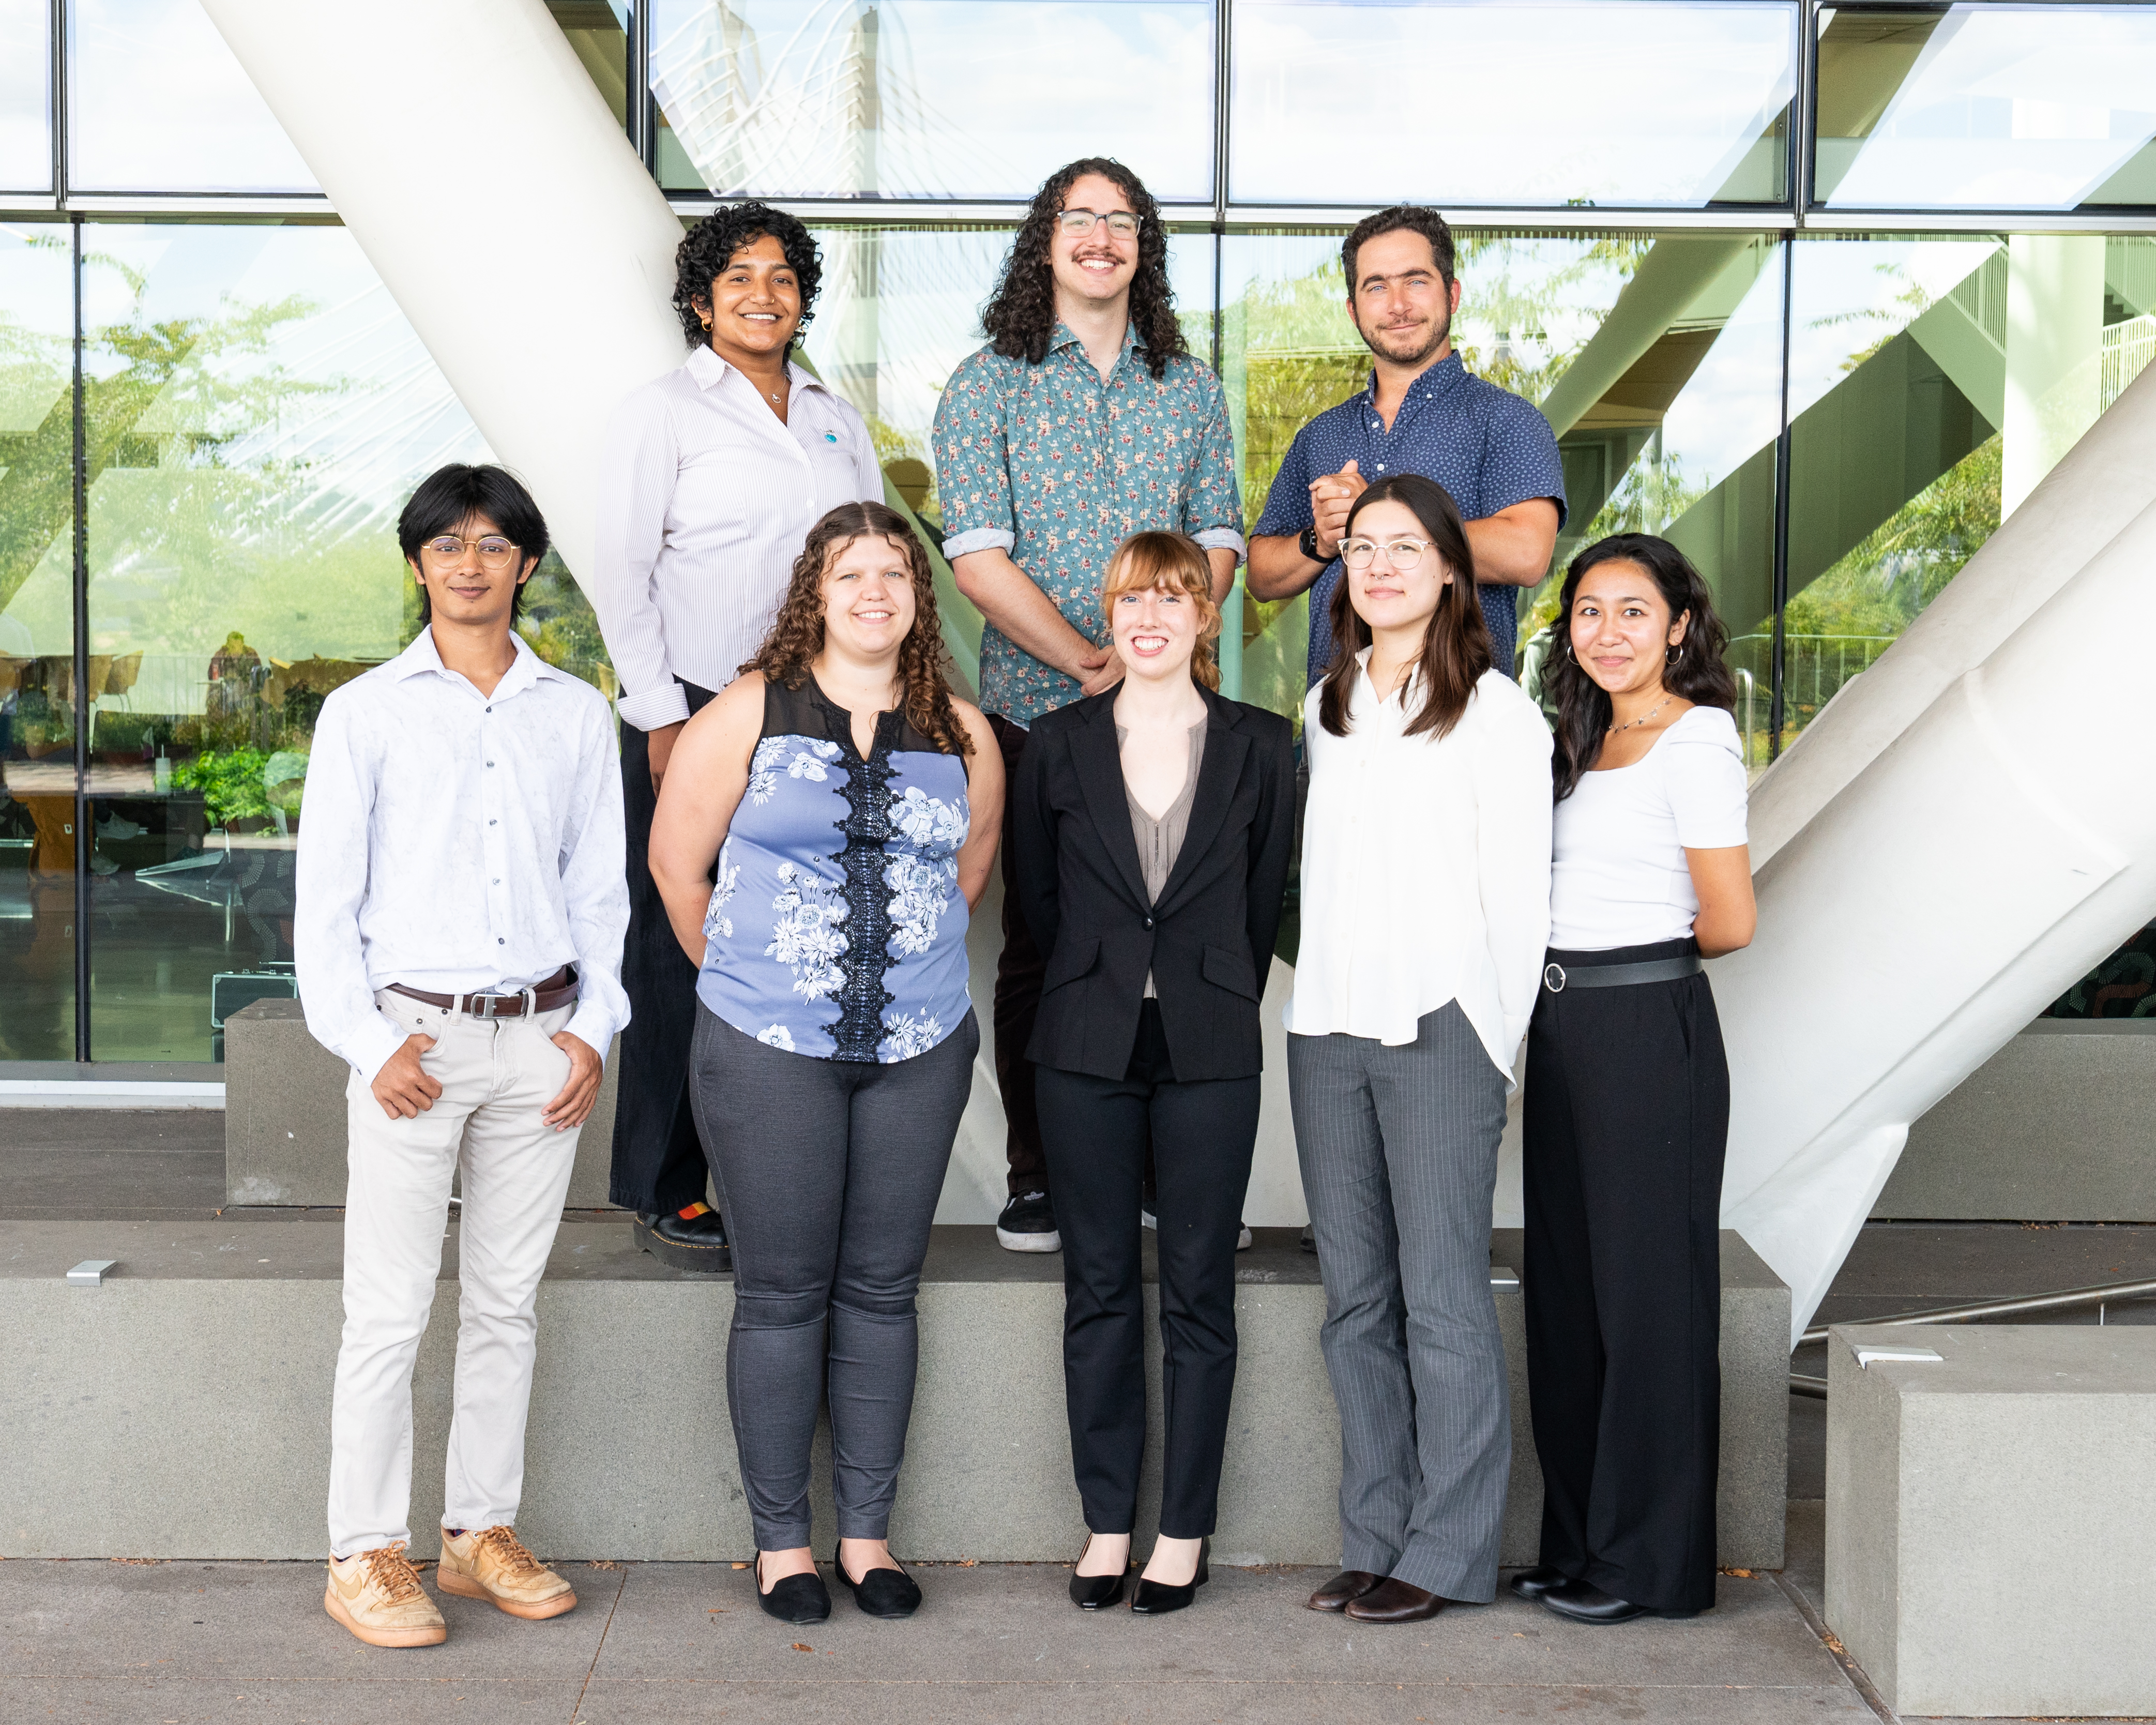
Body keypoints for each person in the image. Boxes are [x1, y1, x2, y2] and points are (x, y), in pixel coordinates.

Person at [648, 501, 1001, 1626]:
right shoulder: (750, 710)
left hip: (919, 1050)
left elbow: (968, 872)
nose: (874, 591)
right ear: (816, 590)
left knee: (884, 1294)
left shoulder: (962, 730)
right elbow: (676, 866)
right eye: (851, 573)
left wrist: (900, 979)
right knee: (783, 1296)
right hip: (768, 1052)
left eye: (895, 572)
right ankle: (781, 1546)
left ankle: (867, 1537)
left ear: (917, 595)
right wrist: (761, 985)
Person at [295, 464, 629, 1648]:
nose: (471, 563)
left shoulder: (575, 712)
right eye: (448, 545)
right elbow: (323, 908)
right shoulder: (366, 712)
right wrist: (372, 1042)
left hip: (541, 1043)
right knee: (386, 1313)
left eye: (494, 544)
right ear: (418, 563)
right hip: (413, 1042)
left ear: (526, 565)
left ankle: (477, 1530)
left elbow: (601, 892)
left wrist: (591, 1026)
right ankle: (363, 1552)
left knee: (505, 1304)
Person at [932, 156, 1244, 1254]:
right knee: (1048, 945)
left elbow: (1219, 537)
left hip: (1174, 712)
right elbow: (975, 555)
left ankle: (1152, 1173)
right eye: (1082, 218)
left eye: (1123, 221)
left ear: (1143, 245)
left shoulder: (1191, 386)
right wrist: (1083, 659)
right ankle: (1041, 1176)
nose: (1102, 236)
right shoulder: (988, 383)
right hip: (1035, 712)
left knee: (1166, 941)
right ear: (1047, 239)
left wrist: (1165, 651)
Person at [588, 201, 883, 1274]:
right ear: (701, 298)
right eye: (738, 276)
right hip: (701, 709)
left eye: (782, 276)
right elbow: (620, 571)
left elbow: (873, 557)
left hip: (822, 714)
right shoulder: (663, 412)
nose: (763, 294)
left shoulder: (833, 415)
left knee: (802, 936)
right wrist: (663, 713)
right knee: (677, 945)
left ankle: (789, 1177)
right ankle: (665, 1187)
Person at [1285, 474, 1552, 1625]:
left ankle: (1445, 1552)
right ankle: (1376, 1533)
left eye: (1406, 546)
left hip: (1445, 1027)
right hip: (1328, 1026)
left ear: (1453, 568)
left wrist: (1492, 1042)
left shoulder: (1498, 714)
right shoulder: (1325, 703)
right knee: (1355, 1301)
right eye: (1363, 545)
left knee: (1442, 1300)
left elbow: (1519, 899)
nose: (1381, 563)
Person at [1013, 531, 1293, 1615]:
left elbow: (1263, 897)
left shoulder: (1264, 747)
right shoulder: (1055, 742)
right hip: (1084, 1046)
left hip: (1209, 1047)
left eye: (1176, 597)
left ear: (1204, 615)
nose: (1153, 615)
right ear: (1110, 610)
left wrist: (1198, 984)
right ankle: (1105, 1524)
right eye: (1134, 595)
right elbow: (1040, 907)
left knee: (1199, 1296)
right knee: (1096, 1292)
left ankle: (1182, 1532)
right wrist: (1109, 975)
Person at [1511, 534, 1755, 1626]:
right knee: (1570, 1303)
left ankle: (1647, 1568)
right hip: (1561, 1030)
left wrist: (1633, 976)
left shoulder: (1695, 739)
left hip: (1645, 1031)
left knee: (1648, 1306)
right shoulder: (1581, 737)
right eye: (1588, 612)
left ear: (1680, 627)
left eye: (1632, 612)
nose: (1607, 632)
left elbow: (1733, 921)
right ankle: (1579, 1546)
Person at [1245, 205, 1566, 686]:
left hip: (1460, 716)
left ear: (1452, 294)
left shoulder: (1507, 420)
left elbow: (1526, 553)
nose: (1397, 304)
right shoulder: (1321, 434)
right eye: (1376, 286)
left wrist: (1373, 518)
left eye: (1416, 281)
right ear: (1353, 310)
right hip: (1338, 718)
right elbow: (1262, 577)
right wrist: (1323, 540)